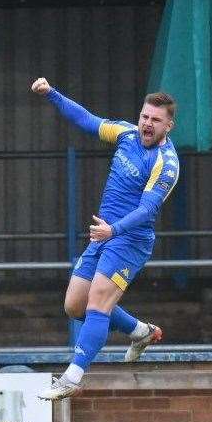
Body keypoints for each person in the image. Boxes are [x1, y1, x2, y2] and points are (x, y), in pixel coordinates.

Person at [30, 78, 179, 400]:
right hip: (105, 235)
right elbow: (87, 120)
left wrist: (114, 230)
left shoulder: (166, 164)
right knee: (74, 306)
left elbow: (147, 209)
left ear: (169, 125)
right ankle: (140, 331)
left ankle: (72, 377)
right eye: (144, 117)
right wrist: (51, 94)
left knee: (97, 303)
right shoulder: (126, 134)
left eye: (155, 120)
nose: (147, 124)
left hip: (130, 239)